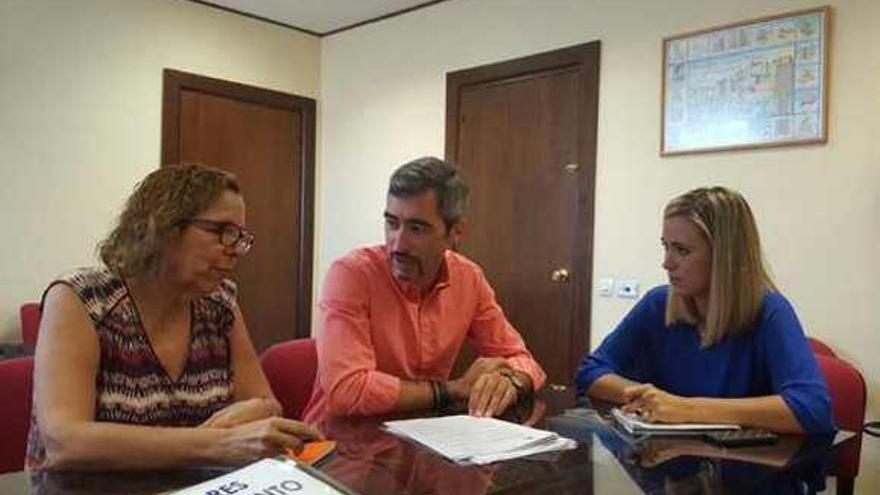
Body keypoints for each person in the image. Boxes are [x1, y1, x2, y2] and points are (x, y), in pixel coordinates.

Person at [27, 164, 321, 471]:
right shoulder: (83, 298)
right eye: (223, 232)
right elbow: (65, 442)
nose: (235, 249)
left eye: (240, 236)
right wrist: (217, 443)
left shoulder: (220, 302)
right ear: (162, 228)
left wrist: (233, 425)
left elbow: (265, 406)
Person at [303, 157, 546, 424]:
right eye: (392, 223)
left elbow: (522, 359)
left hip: (422, 438)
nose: (398, 244)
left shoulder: (469, 279)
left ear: (455, 232)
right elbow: (346, 392)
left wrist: (510, 379)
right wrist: (452, 389)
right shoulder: (351, 275)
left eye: (416, 228)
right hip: (338, 445)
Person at [576, 186, 834, 434]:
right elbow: (591, 373)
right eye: (665, 246)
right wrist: (649, 398)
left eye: (682, 250)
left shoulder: (769, 311)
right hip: (669, 467)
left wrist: (687, 408)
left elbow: (813, 410)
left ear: (725, 257)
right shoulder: (658, 303)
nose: (666, 263)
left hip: (748, 473)